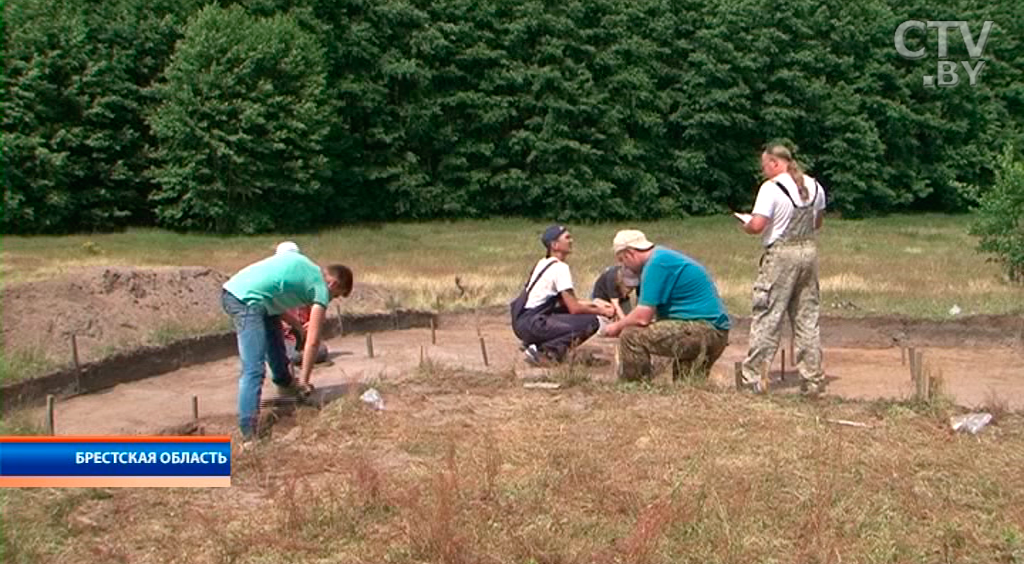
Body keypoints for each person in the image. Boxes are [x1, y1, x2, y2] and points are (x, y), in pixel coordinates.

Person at [221, 252, 353, 439]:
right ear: (333, 284)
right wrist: (305, 381)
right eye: (335, 295)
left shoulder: (308, 270)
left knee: (276, 350)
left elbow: (273, 295)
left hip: (245, 295)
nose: (330, 299)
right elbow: (313, 342)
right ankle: (249, 434)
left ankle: (286, 387)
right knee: (254, 369)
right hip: (245, 301)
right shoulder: (321, 288)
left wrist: (297, 325)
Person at [736, 141, 827, 396]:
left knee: (768, 315)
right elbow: (817, 223)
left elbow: (757, 225)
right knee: (806, 318)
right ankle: (812, 379)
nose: (763, 171)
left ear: (775, 163)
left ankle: (754, 378)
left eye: (764, 166)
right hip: (809, 252)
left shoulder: (771, 188)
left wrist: (746, 224)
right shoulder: (815, 186)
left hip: (781, 256)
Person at [603, 230, 730, 381]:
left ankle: (633, 389)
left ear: (630, 253)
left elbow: (642, 317)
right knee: (687, 388)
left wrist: (616, 327)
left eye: (622, 260)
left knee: (631, 336)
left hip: (700, 330)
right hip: (714, 334)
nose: (624, 266)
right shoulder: (663, 257)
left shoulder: (656, 264)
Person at [512, 225, 615, 366]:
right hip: (534, 323)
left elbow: (567, 302)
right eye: (567, 237)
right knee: (591, 321)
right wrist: (601, 311)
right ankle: (547, 353)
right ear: (554, 245)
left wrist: (595, 304)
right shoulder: (561, 268)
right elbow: (574, 308)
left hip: (523, 321)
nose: (571, 240)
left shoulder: (543, 263)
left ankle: (534, 342)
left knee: (569, 313)